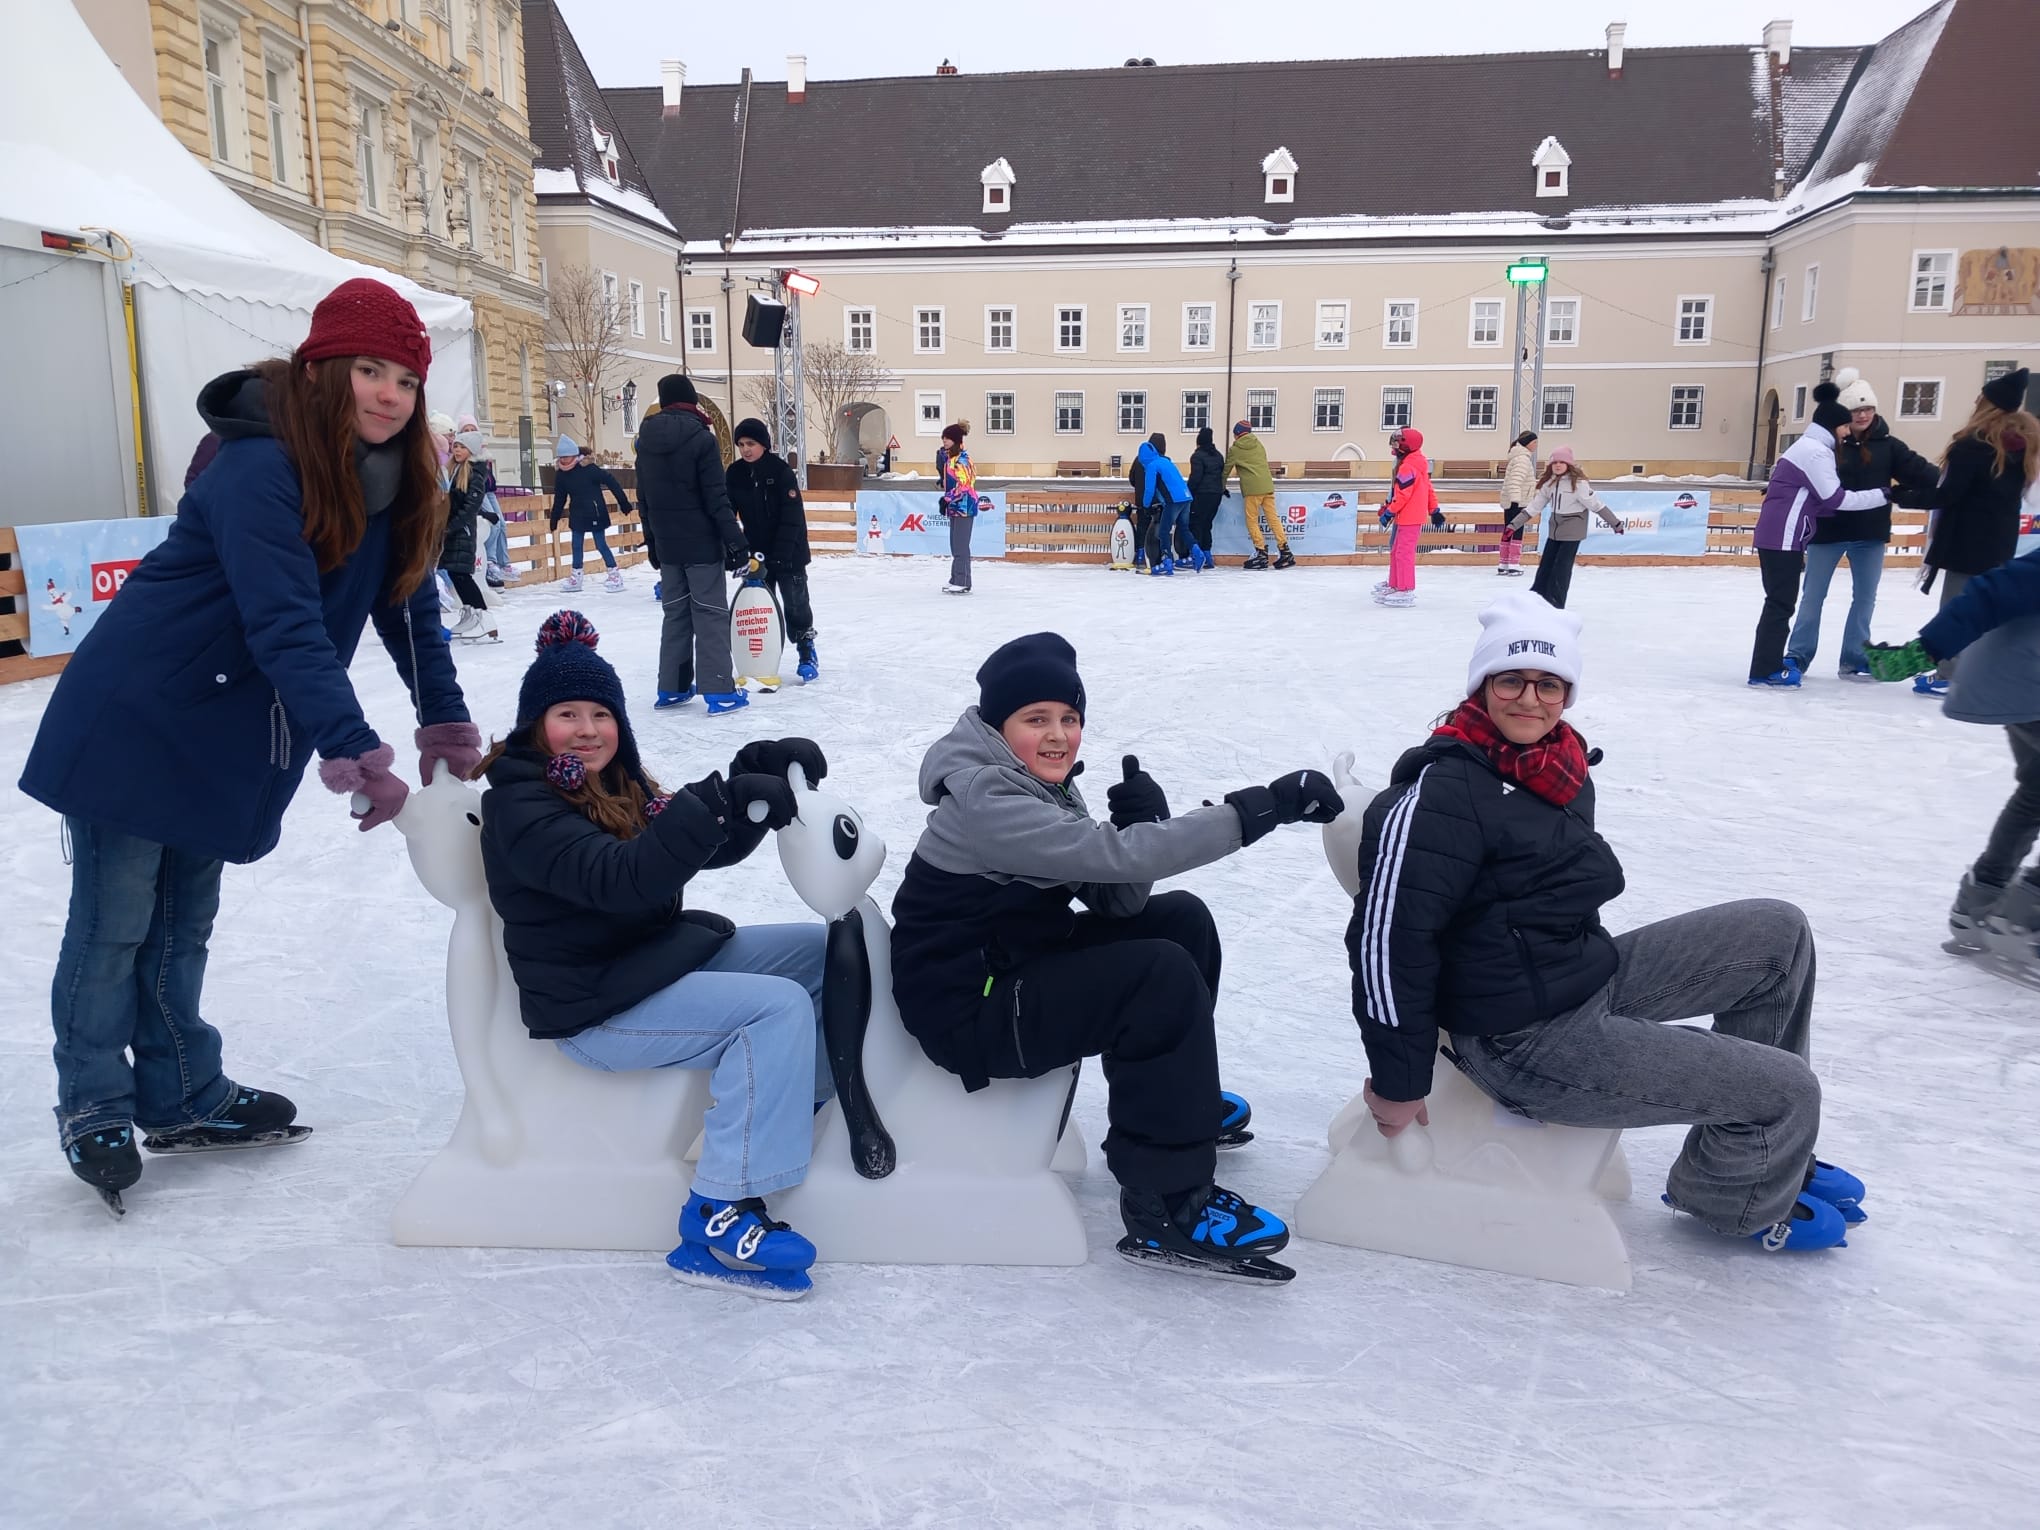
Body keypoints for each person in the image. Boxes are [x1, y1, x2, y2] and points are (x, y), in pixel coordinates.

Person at [17, 276, 481, 1215]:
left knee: (183, 922)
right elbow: (285, 622)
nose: (390, 394)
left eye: (406, 379)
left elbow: (407, 609)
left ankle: (182, 1090)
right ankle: (94, 1102)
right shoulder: (260, 468)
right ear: (322, 370)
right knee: (113, 925)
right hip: (139, 716)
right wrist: (353, 747)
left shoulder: (392, 479)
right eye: (370, 370)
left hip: (224, 729)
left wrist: (441, 716)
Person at [1345, 591, 1863, 1253]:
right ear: (1481, 687)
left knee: (1776, 935)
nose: (1530, 699)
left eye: (1550, 684)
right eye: (1510, 680)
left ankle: (1753, 1156)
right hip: (1520, 1042)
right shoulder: (1440, 796)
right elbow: (1387, 943)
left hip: (1575, 978)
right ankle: (1736, 1195)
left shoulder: (1551, 767)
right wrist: (1398, 1085)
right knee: (1789, 1091)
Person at [888, 632, 1345, 1281]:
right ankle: (1168, 1201)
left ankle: (1178, 1104)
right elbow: (1116, 858)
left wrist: (1142, 823)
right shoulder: (987, 800)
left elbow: (1118, 902)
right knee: (1156, 978)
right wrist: (1257, 810)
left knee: (1179, 921)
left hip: (1012, 967)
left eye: (1069, 718)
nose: (1058, 735)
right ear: (997, 726)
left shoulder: (1039, 785)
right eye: (1036, 719)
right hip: (968, 1009)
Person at [475, 611, 832, 1298]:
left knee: (817, 952)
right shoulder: (522, 807)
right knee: (776, 1008)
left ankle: (782, 1115)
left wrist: (748, 782)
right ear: (535, 726)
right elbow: (622, 878)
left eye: (601, 714)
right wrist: (718, 802)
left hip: (646, 967)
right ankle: (718, 1212)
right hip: (597, 1006)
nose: (587, 730)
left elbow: (688, 849)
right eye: (566, 714)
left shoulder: (614, 785)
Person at [1867, 543, 2040, 977]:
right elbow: (1994, 589)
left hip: (2012, 675)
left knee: (2037, 790)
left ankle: (1982, 904)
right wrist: (1926, 648)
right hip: (2024, 678)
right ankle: (2025, 919)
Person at [1784, 370, 1939, 680]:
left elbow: (1923, 473)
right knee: (1813, 597)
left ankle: (1854, 657)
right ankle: (1798, 654)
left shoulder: (1889, 446)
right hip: (1827, 533)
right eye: (1856, 410)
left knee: (1865, 599)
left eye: (1868, 408)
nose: (1863, 415)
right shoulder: (1826, 446)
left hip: (1869, 534)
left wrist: (1950, 480)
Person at [1747, 382, 1889, 688]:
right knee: (1780, 604)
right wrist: (1883, 495)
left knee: (1779, 602)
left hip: (1780, 534)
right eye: (1844, 427)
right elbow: (1834, 499)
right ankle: (1765, 670)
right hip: (1783, 536)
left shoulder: (1808, 447)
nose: (1848, 433)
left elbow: (1817, 501)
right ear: (1833, 426)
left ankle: (1766, 667)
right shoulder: (1817, 453)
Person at [1916, 367, 2037, 696]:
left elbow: (1949, 494)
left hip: (1965, 543)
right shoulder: (2021, 446)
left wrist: (1905, 495)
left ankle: (1949, 674)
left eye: (1980, 397)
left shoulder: (1972, 446)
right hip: (2001, 542)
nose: (1974, 401)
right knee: (1990, 608)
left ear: (1988, 405)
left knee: (1956, 608)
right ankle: (1986, 672)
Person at [637, 374, 752, 716]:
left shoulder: (645, 441)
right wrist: (737, 543)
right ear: (691, 400)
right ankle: (719, 690)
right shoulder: (702, 439)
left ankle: (671, 687)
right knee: (710, 614)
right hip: (701, 545)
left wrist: (653, 544)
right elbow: (716, 498)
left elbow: (644, 500)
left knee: (675, 614)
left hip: (668, 546)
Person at [727, 416, 819, 683]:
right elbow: (727, 513)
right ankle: (759, 658)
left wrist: (781, 555)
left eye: (751, 444)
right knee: (759, 611)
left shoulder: (780, 471)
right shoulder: (734, 473)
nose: (746, 449)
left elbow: (792, 517)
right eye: (741, 444)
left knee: (796, 606)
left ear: (764, 445)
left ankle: (806, 651)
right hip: (756, 557)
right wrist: (735, 550)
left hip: (789, 554)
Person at [1509, 444, 1624, 608]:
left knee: (1561, 568)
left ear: (1568, 464)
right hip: (1555, 530)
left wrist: (1616, 523)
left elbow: (1597, 506)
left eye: (1562, 462)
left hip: (1572, 531)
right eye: (1555, 462)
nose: (1558, 465)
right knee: (1546, 565)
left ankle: (1556, 603)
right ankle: (1537, 597)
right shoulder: (1549, 484)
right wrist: (1513, 525)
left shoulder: (1578, 484)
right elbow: (1535, 506)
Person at [547, 435, 629, 595]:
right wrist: (554, 517)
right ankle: (576, 577)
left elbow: (611, 481)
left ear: (574, 455)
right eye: (561, 457)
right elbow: (560, 498)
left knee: (600, 544)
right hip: (577, 513)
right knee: (576, 545)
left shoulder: (589, 469)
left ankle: (614, 575)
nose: (563, 460)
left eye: (566, 457)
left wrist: (623, 502)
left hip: (595, 512)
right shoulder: (562, 475)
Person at [441, 429, 500, 641]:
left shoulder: (475, 473)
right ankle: (470, 614)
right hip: (452, 530)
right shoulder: (455, 469)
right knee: (455, 573)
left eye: (462, 447)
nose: (457, 450)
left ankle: (484, 618)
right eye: (455, 446)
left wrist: (451, 526)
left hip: (461, 531)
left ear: (472, 450)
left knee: (462, 575)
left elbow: (470, 507)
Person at [1374, 426, 1436, 608]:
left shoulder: (1409, 466)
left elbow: (1403, 495)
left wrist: (1390, 512)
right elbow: (1427, 488)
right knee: (1396, 551)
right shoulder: (1412, 462)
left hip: (1410, 516)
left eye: (1396, 443)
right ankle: (1396, 584)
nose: (1393, 447)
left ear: (1406, 445)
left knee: (1404, 553)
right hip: (1406, 515)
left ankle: (1405, 588)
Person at [1223, 420, 1292, 569]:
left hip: (1252, 489)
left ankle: (1261, 552)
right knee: (1273, 519)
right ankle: (1285, 550)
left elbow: (1226, 470)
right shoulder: (1259, 444)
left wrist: (1221, 485)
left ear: (1237, 434)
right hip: (1267, 486)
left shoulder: (1235, 449)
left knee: (1252, 520)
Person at [1134, 433, 1199, 575]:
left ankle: (1166, 561)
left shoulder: (1151, 466)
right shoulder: (1166, 461)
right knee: (1184, 528)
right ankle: (1197, 553)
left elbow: (1149, 489)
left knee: (1163, 531)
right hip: (1186, 497)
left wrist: (1146, 506)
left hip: (1173, 501)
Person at [937, 421, 978, 594]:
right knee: (955, 545)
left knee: (960, 545)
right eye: (943, 438)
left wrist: (947, 498)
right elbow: (953, 481)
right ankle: (956, 578)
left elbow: (965, 485)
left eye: (947, 438)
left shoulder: (962, 460)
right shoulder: (951, 459)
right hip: (956, 506)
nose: (944, 441)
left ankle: (962, 580)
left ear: (955, 440)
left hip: (964, 506)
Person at [1496, 429, 1537, 577]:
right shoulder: (1522, 460)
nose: (1536, 445)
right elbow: (1515, 481)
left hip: (1513, 501)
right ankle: (1513, 563)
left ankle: (1504, 563)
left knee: (1509, 530)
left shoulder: (1518, 457)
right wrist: (1516, 501)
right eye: (1534, 442)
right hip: (1517, 502)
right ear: (1527, 443)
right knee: (1516, 531)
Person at [1187, 425, 1227, 564]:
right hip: (1216, 495)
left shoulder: (1197, 456)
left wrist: (1188, 492)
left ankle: (1197, 557)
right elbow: (1221, 476)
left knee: (1196, 524)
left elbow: (1195, 478)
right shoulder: (1218, 456)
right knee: (1207, 524)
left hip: (1201, 495)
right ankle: (1207, 556)